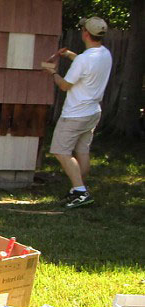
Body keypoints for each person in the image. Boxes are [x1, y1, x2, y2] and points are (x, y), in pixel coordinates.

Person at [45, 16, 112, 209]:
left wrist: (53, 73)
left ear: (85, 33)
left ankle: (80, 191)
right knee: (82, 151)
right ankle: (79, 189)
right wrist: (70, 55)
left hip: (75, 114)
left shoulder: (84, 60)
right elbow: (86, 66)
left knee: (60, 150)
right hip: (92, 113)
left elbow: (65, 85)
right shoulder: (104, 54)